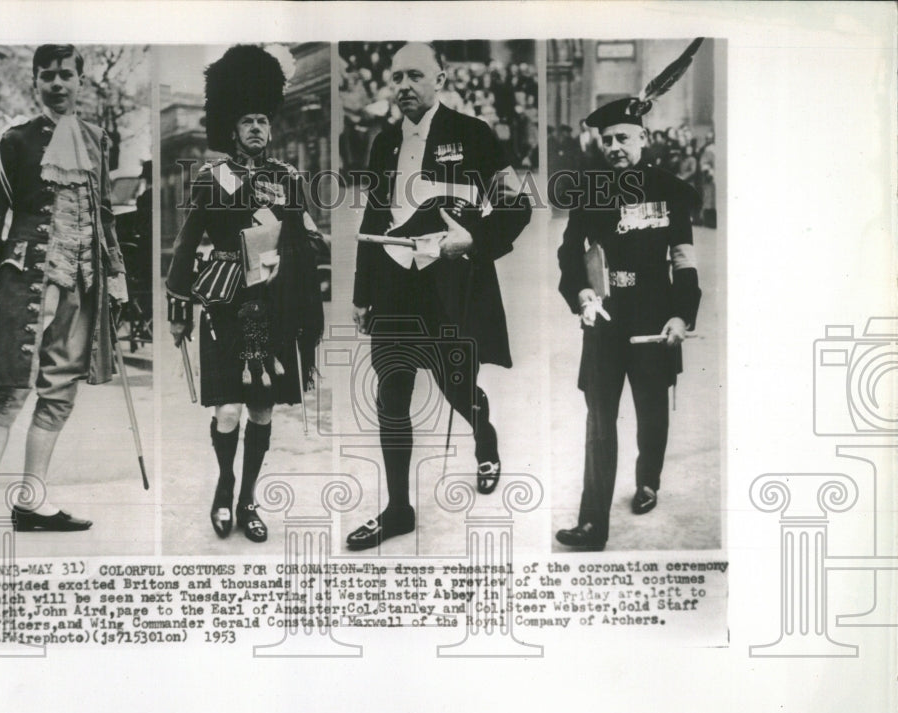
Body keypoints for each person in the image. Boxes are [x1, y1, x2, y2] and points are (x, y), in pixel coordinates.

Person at [346, 42, 532, 551]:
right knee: (392, 393)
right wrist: (362, 292)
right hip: (392, 288)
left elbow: (516, 207)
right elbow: (372, 219)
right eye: (395, 77)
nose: (403, 86)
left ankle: (485, 439)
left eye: (415, 76)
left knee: (458, 389)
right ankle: (400, 508)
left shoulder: (474, 135)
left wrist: (474, 240)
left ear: (440, 79)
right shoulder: (383, 143)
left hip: (448, 286)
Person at [0, 44, 129, 555]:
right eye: (47, 76)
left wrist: (115, 270)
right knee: (10, 393)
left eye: (66, 75)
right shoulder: (14, 140)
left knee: (59, 395)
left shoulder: (98, 139)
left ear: (80, 81)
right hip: (27, 279)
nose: (57, 84)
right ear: (35, 81)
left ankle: (30, 502)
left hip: (83, 281)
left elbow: (104, 215)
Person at [166, 45, 327, 542]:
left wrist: (296, 241)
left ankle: (248, 499)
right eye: (247, 121)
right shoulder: (211, 180)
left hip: (274, 306)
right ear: (231, 129)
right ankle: (225, 484)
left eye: (263, 120)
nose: (256, 128)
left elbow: (312, 238)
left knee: (261, 410)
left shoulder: (289, 179)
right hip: (225, 303)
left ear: (270, 127)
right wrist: (178, 309)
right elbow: (185, 245)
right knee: (229, 410)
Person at [554, 96, 702, 551]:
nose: (614, 147)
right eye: (606, 140)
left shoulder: (671, 190)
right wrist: (580, 293)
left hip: (655, 321)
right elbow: (569, 251)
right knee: (599, 420)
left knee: (651, 411)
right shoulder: (588, 189)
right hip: (605, 318)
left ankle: (648, 482)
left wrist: (682, 313)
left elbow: (683, 259)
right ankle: (592, 523)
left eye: (622, 138)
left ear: (643, 138)